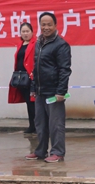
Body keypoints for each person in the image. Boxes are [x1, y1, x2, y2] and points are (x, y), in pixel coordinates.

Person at [25, 12, 72, 162]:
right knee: (40, 124)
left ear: (55, 26)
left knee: (56, 125)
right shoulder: (39, 42)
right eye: (43, 24)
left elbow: (64, 70)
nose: (46, 27)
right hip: (40, 91)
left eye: (49, 24)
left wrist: (61, 92)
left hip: (54, 93)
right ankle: (40, 151)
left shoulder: (61, 45)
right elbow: (36, 68)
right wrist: (33, 88)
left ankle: (58, 152)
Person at [8, 22, 36, 134]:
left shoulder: (35, 43)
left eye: (27, 31)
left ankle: (37, 125)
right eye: (23, 31)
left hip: (30, 77)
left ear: (32, 32)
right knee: (28, 103)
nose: (25, 33)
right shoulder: (20, 44)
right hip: (21, 78)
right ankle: (31, 125)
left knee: (33, 102)